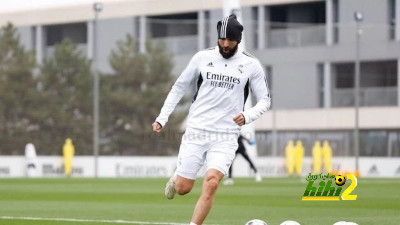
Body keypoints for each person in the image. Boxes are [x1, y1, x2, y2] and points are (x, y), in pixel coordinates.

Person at [152, 14, 271, 225]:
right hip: (197, 130)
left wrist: (248, 115)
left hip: (226, 135)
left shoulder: (251, 64)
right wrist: (163, 117)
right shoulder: (202, 58)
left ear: (238, 40)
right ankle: (177, 177)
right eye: (222, 39)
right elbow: (179, 87)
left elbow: (265, 100)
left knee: (212, 181)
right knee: (183, 188)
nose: (225, 44)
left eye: (230, 40)